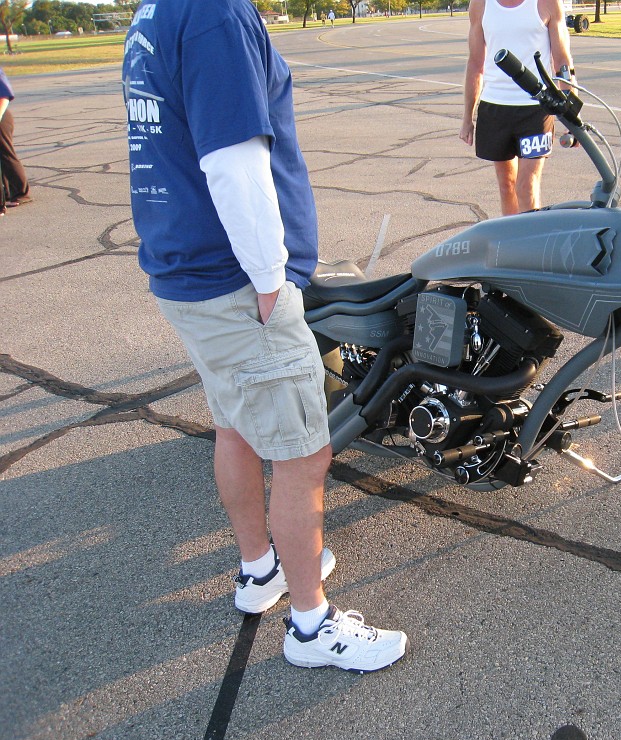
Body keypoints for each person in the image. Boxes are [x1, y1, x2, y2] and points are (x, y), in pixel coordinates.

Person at [122, 0, 407, 672]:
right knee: (304, 455)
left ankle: (260, 571)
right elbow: (233, 160)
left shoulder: (155, 12)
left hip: (187, 271)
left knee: (238, 425)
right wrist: (271, 279)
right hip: (234, 281)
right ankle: (312, 626)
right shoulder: (215, 12)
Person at [460, 0, 574, 216]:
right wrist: (468, 117)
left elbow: (562, 61)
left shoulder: (547, 3)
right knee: (507, 186)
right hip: (495, 108)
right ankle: (511, 245)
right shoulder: (481, 4)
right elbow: (475, 64)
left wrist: (571, 114)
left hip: (536, 109)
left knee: (526, 186)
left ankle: (531, 246)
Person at [0, 66, 32, 212]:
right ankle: (7, 193)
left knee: (6, 154)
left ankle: (21, 193)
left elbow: (4, 96)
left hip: (1, 118)